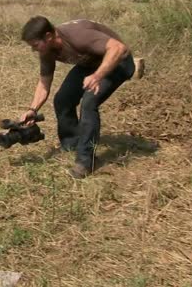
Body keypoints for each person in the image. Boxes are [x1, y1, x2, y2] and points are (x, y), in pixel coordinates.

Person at [19, 16, 136, 179]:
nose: (34, 50)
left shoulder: (77, 35)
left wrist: (97, 76)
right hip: (91, 63)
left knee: (89, 102)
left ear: (48, 36)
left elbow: (118, 48)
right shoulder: (47, 51)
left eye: (35, 45)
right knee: (62, 99)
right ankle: (71, 144)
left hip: (119, 62)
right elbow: (44, 83)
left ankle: (86, 161)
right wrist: (32, 110)